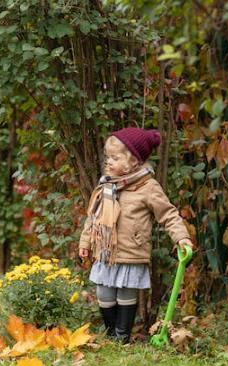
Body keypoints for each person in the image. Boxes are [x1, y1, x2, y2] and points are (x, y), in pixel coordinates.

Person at [78, 127, 193, 343]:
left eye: (115, 158)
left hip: (131, 252)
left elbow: (168, 214)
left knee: (125, 296)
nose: (109, 162)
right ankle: (111, 333)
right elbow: (93, 217)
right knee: (104, 294)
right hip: (105, 251)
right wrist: (85, 242)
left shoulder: (148, 187)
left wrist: (181, 237)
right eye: (107, 157)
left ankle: (121, 338)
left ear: (133, 161)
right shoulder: (107, 186)